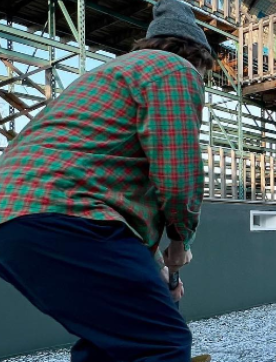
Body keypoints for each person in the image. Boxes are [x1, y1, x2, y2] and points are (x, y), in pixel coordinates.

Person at [0, 0, 213, 360]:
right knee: (158, 343)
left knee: (111, 342)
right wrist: (180, 241)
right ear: (196, 56)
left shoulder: (107, 77)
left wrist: (154, 273)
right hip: (67, 213)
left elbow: (115, 201)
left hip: (18, 217)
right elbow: (178, 176)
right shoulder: (174, 69)